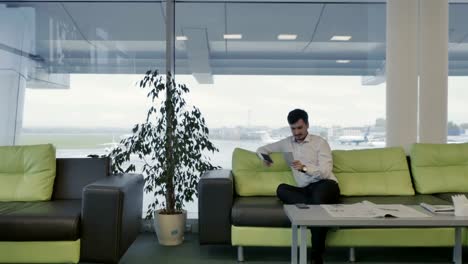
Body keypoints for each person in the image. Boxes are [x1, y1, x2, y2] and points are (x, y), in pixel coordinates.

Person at [256, 109, 340, 264]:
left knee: (317, 200)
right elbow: (262, 149)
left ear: (307, 125)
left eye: (300, 128)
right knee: (281, 189)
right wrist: (265, 158)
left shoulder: (320, 143)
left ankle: (316, 254)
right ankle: (320, 211)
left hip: (326, 185)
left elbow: (325, 171)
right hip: (306, 190)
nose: (297, 132)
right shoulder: (286, 143)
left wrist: (304, 169)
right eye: (293, 128)